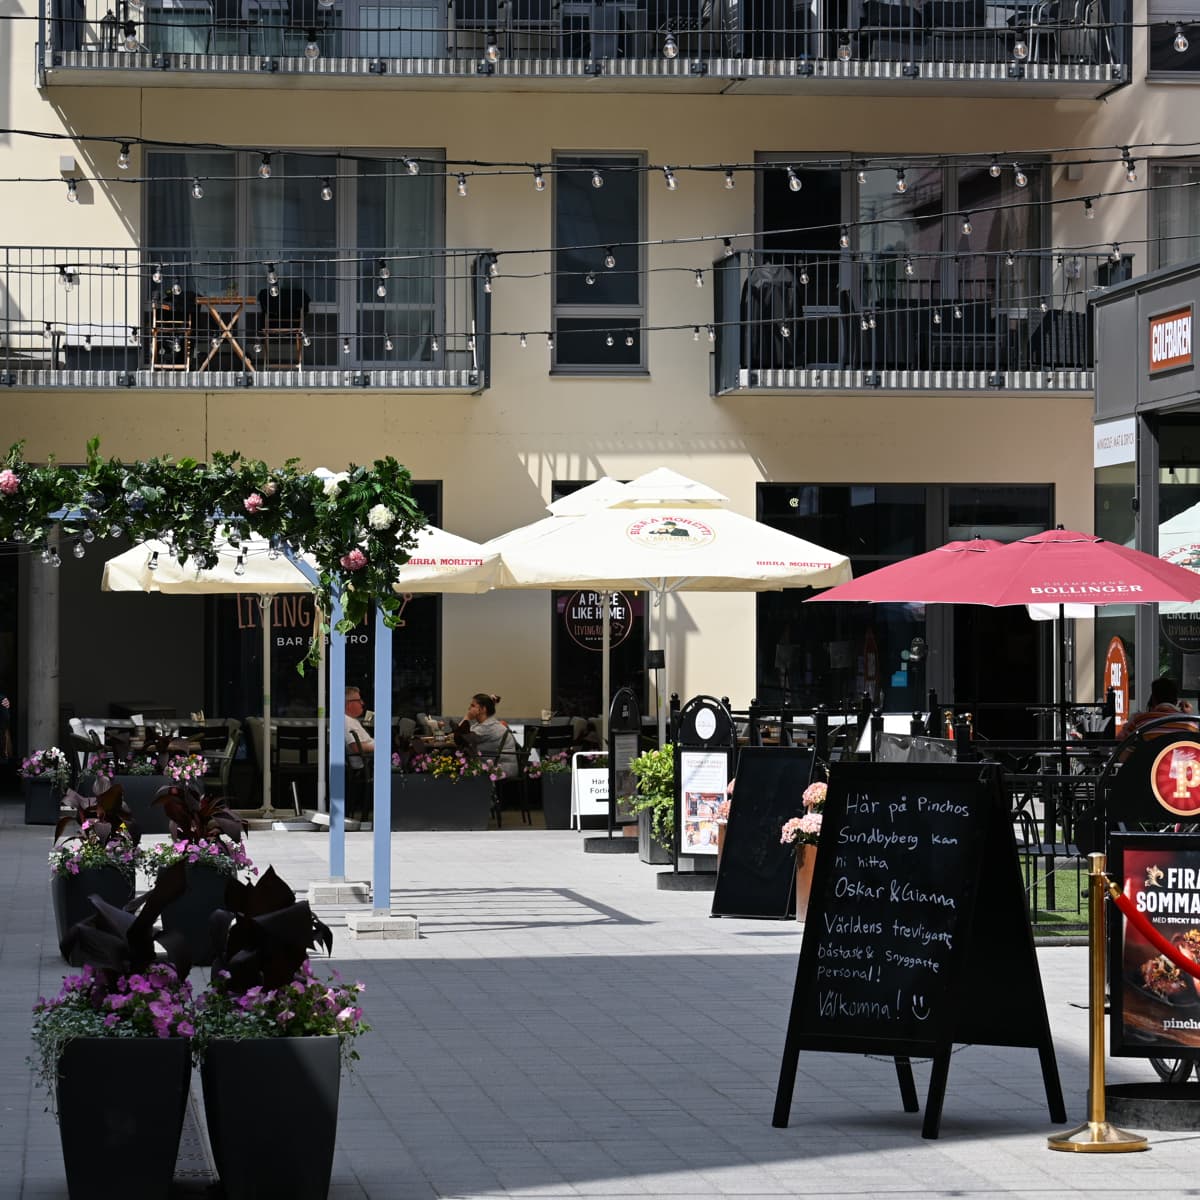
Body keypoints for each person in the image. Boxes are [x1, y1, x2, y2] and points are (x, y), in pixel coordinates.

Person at [461, 692, 519, 778]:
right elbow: (459, 734)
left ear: (483, 709)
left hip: (502, 768)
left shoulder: (488, 726)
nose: (469, 708)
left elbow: (459, 738)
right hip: (494, 761)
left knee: (459, 764)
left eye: (473, 706)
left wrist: (467, 717)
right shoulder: (482, 724)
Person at [1123, 676, 1194, 736]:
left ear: (1153, 699)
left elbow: (1123, 745)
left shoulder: (1140, 721)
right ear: (1176, 701)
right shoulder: (1189, 725)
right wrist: (1187, 717)